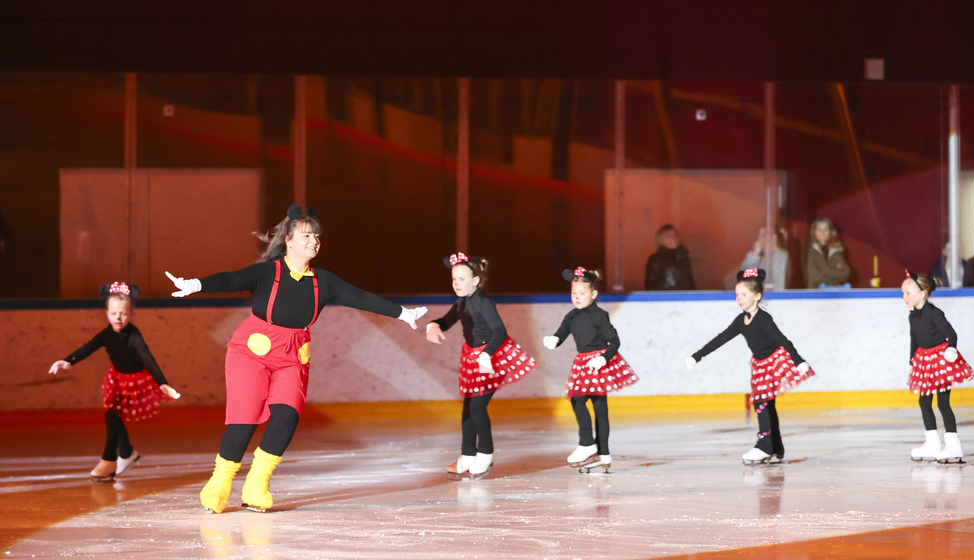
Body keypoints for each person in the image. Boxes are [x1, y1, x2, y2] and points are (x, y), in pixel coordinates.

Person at [165, 204, 428, 513]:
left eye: (317, 236)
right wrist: (196, 284)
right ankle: (220, 482)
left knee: (287, 416)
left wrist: (403, 314)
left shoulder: (324, 281)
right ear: (288, 240)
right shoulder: (268, 271)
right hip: (252, 351)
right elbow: (233, 279)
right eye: (306, 235)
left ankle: (256, 484)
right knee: (245, 420)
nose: (314, 241)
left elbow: (360, 297)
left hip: (294, 353)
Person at [48, 282, 181, 481]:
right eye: (114, 313)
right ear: (107, 313)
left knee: (113, 417)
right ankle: (125, 453)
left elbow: (147, 357)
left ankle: (110, 460)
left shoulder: (133, 335)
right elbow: (87, 347)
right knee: (113, 416)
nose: (118, 318)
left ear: (131, 314)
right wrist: (67, 361)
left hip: (135, 381)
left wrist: (161, 382)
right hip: (116, 379)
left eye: (124, 314)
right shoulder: (106, 335)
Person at [685, 268, 813, 465]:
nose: (739, 298)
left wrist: (798, 361)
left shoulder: (763, 318)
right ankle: (775, 447)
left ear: (758, 296)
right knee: (766, 403)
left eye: (744, 294)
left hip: (775, 361)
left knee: (761, 403)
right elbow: (721, 339)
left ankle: (764, 446)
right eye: (737, 295)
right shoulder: (741, 321)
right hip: (760, 364)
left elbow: (782, 340)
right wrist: (697, 356)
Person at [427, 253, 537, 480]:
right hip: (473, 356)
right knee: (468, 408)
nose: (456, 284)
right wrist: (433, 325)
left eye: (461, 279)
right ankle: (467, 455)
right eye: (454, 279)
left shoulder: (484, 302)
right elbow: (447, 321)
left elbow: (500, 331)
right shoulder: (462, 302)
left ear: (475, 281)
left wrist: (487, 354)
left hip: (494, 356)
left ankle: (485, 453)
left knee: (477, 407)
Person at [542, 267, 639, 473]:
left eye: (582, 293)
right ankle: (595, 449)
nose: (577, 297)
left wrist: (603, 359)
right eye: (574, 293)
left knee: (597, 407)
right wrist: (554, 340)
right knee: (580, 400)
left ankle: (595, 448)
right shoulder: (571, 316)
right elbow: (561, 333)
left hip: (599, 362)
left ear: (593, 294)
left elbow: (614, 341)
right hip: (582, 363)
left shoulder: (599, 316)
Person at [902, 270, 974, 463]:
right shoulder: (913, 317)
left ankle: (953, 445)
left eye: (907, 293)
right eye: (903, 293)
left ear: (922, 294)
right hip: (924, 361)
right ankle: (932, 442)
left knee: (943, 403)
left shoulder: (934, 312)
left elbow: (951, 333)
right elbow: (914, 340)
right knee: (924, 402)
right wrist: (912, 362)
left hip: (941, 360)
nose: (904, 297)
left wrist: (951, 348)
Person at [645, 225, 696, 290]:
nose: (673, 238)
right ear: (661, 240)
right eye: (669, 236)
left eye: (675, 235)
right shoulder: (656, 259)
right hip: (665, 299)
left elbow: (691, 283)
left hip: (684, 298)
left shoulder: (684, 258)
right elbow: (649, 287)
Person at [805, 218, 851, 289]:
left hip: (833, 296)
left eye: (825, 230)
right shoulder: (809, 251)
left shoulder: (836, 250)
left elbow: (845, 274)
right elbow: (814, 277)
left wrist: (825, 270)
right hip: (815, 295)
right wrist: (835, 277)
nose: (822, 233)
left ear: (831, 232)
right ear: (814, 232)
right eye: (819, 230)